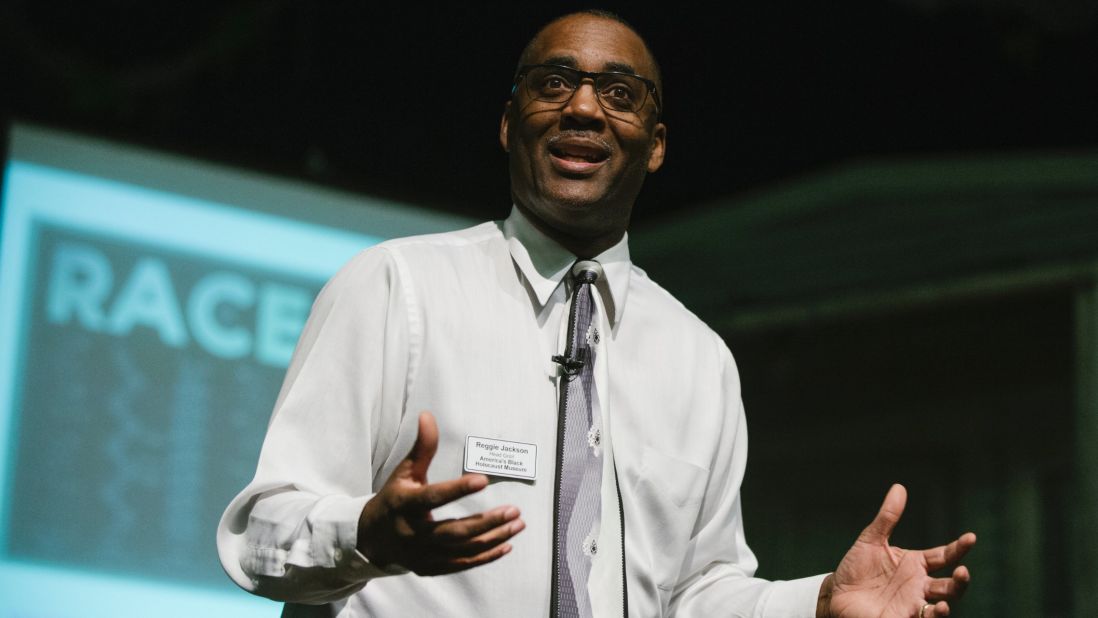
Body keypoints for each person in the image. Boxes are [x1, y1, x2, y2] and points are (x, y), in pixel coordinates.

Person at [217, 10, 975, 617]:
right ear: (511, 124)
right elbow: (261, 533)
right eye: (554, 84)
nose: (583, 107)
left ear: (655, 146)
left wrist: (816, 604)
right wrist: (369, 537)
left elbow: (694, 596)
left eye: (619, 93)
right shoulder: (396, 287)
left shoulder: (697, 358)